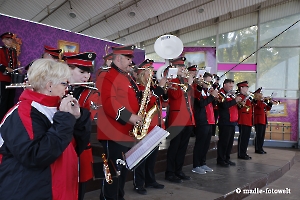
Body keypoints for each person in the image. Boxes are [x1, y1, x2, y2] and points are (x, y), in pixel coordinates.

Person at [0, 58, 91, 199]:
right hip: (31, 191)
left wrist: (78, 119)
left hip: (59, 188)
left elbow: (75, 147)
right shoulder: (22, 112)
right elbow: (35, 156)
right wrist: (65, 119)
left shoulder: (57, 108)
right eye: (64, 83)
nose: (67, 88)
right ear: (49, 85)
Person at [96, 45, 142, 200]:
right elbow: (109, 102)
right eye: (128, 59)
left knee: (121, 171)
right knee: (112, 173)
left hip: (126, 132)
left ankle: (118, 197)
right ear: (118, 58)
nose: (131, 62)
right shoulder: (106, 75)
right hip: (113, 132)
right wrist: (132, 117)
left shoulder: (127, 77)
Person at [63, 51, 99, 200]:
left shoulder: (92, 93)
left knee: (79, 190)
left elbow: (87, 119)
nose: (86, 76)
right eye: (82, 71)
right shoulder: (58, 88)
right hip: (60, 146)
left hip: (79, 146)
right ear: (68, 69)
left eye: (88, 73)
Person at [132, 59, 167, 195]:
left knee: (152, 157)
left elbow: (162, 104)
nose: (151, 75)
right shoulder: (140, 88)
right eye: (149, 72)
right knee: (141, 158)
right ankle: (139, 183)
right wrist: (159, 89)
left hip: (156, 125)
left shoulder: (153, 88)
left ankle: (150, 180)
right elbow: (145, 103)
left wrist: (163, 90)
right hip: (145, 128)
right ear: (142, 74)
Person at [164, 56, 195, 183]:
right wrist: (188, 83)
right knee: (174, 147)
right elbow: (175, 96)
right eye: (180, 66)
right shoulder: (172, 81)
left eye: (183, 66)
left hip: (187, 118)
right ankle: (170, 172)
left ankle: (178, 170)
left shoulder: (183, 81)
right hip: (177, 119)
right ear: (174, 68)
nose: (183, 68)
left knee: (183, 147)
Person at [192, 72, 218, 174]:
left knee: (206, 144)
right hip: (202, 120)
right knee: (200, 143)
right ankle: (196, 165)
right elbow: (201, 104)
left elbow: (212, 104)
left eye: (210, 81)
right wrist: (211, 96)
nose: (209, 83)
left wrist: (214, 97)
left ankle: (203, 163)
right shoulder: (197, 91)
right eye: (207, 81)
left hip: (210, 120)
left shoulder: (207, 91)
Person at [217, 79, 242, 167]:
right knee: (224, 142)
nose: (232, 88)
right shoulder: (221, 93)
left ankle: (227, 158)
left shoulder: (231, 95)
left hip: (232, 121)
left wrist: (239, 102)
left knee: (230, 142)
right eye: (230, 86)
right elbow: (224, 105)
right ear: (224, 85)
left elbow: (235, 106)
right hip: (225, 121)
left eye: (232, 86)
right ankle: (221, 159)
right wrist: (235, 100)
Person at [0, 32, 19, 121]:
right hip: (3, 78)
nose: (10, 41)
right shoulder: (0, 50)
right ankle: (1, 120)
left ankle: (8, 120)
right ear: (3, 40)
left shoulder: (13, 51)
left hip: (12, 79)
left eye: (11, 39)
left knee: (10, 100)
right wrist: (5, 68)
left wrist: (17, 69)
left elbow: (14, 64)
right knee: (3, 100)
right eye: (7, 39)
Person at [236, 81, 253, 160]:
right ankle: (241, 153)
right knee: (243, 137)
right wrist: (246, 98)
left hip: (248, 120)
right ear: (241, 88)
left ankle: (244, 152)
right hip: (243, 119)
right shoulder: (239, 96)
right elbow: (240, 106)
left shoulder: (247, 96)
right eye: (246, 87)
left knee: (246, 138)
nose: (247, 89)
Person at [253, 87, 272, 154]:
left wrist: (270, 103)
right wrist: (265, 100)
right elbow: (260, 106)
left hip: (263, 120)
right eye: (260, 93)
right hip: (258, 120)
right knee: (259, 135)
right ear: (257, 94)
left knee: (262, 135)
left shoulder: (262, 101)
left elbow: (267, 108)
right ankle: (257, 149)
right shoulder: (257, 101)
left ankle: (260, 148)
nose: (262, 95)